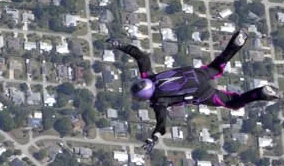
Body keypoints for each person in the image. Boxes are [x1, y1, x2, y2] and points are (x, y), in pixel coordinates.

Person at [116, 31, 273, 141]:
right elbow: (140, 56)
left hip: (202, 92)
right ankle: (236, 43)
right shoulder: (150, 76)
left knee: (233, 102)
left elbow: (161, 123)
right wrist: (120, 45)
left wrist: (154, 138)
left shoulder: (159, 102)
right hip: (196, 74)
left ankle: (260, 93)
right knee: (218, 64)